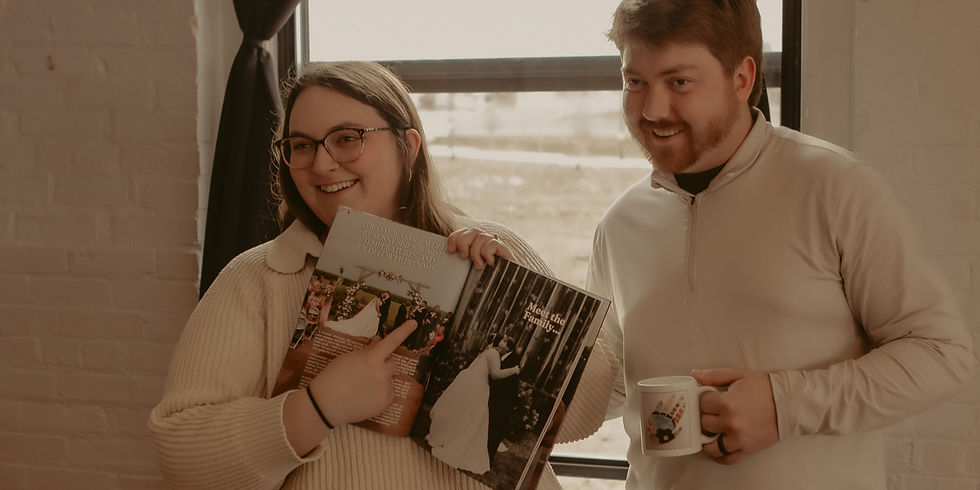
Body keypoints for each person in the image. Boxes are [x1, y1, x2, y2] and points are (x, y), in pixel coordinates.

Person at [585, 1, 977, 489]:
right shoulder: (619, 224)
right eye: (634, 81)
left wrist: (783, 404)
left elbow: (943, 355)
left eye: (679, 82)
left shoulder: (837, 189)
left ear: (742, 78)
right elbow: (610, 385)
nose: (652, 109)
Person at [148, 61, 575, 490]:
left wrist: (516, 292)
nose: (321, 163)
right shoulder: (256, 278)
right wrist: (315, 409)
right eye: (301, 145)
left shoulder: (494, 250)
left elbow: (587, 415)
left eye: (347, 139)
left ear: (408, 147)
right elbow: (181, 459)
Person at [425, 336, 520, 474]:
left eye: (506, 341)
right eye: (504, 340)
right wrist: (513, 370)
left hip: (472, 383)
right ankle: (454, 440)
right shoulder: (493, 353)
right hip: (478, 386)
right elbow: (495, 375)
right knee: (470, 417)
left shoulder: (490, 350)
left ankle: (447, 436)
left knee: (465, 415)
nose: (504, 342)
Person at [486, 335, 522, 465]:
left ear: (507, 346)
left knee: (496, 429)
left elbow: (503, 381)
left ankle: (488, 458)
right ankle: (484, 454)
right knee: (489, 427)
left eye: (502, 342)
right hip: (496, 398)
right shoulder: (504, 356)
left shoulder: (513, 361)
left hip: (502, 402)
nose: (499, 344)